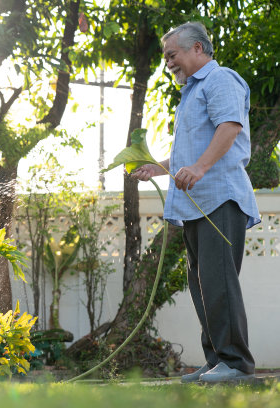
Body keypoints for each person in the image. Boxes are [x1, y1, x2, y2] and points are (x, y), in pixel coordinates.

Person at [131, 22, 260, 383]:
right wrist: (157, 168)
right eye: (166, 57)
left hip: (220, 198)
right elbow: (188, 152)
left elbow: (230, 127)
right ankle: (217, 359)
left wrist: (201, 168)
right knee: (202, 283)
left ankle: (236, 364)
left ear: (198, 49)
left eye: (172, 55)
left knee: (218, 281)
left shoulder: (221, 80)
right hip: (196, 205)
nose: (168, 63)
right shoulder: (191, 92)